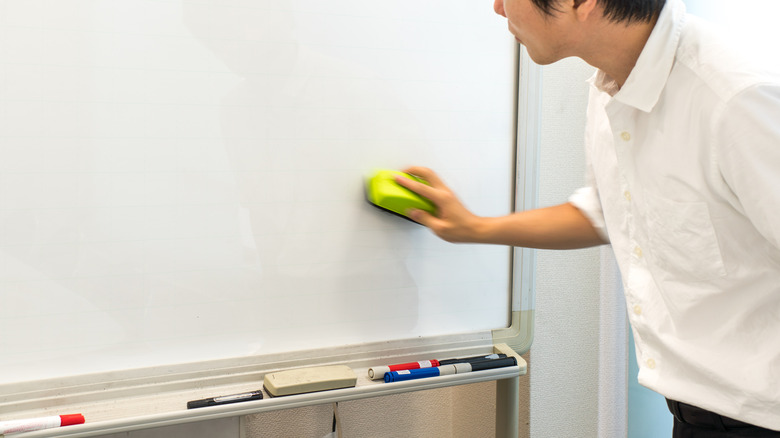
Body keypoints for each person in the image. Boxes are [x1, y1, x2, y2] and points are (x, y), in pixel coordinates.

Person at [395, 0, 780, 436]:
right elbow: (606, 211)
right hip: (696, 413)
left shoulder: (738, 97)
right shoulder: (609, 84)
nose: (499, 8)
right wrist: (474, 227)